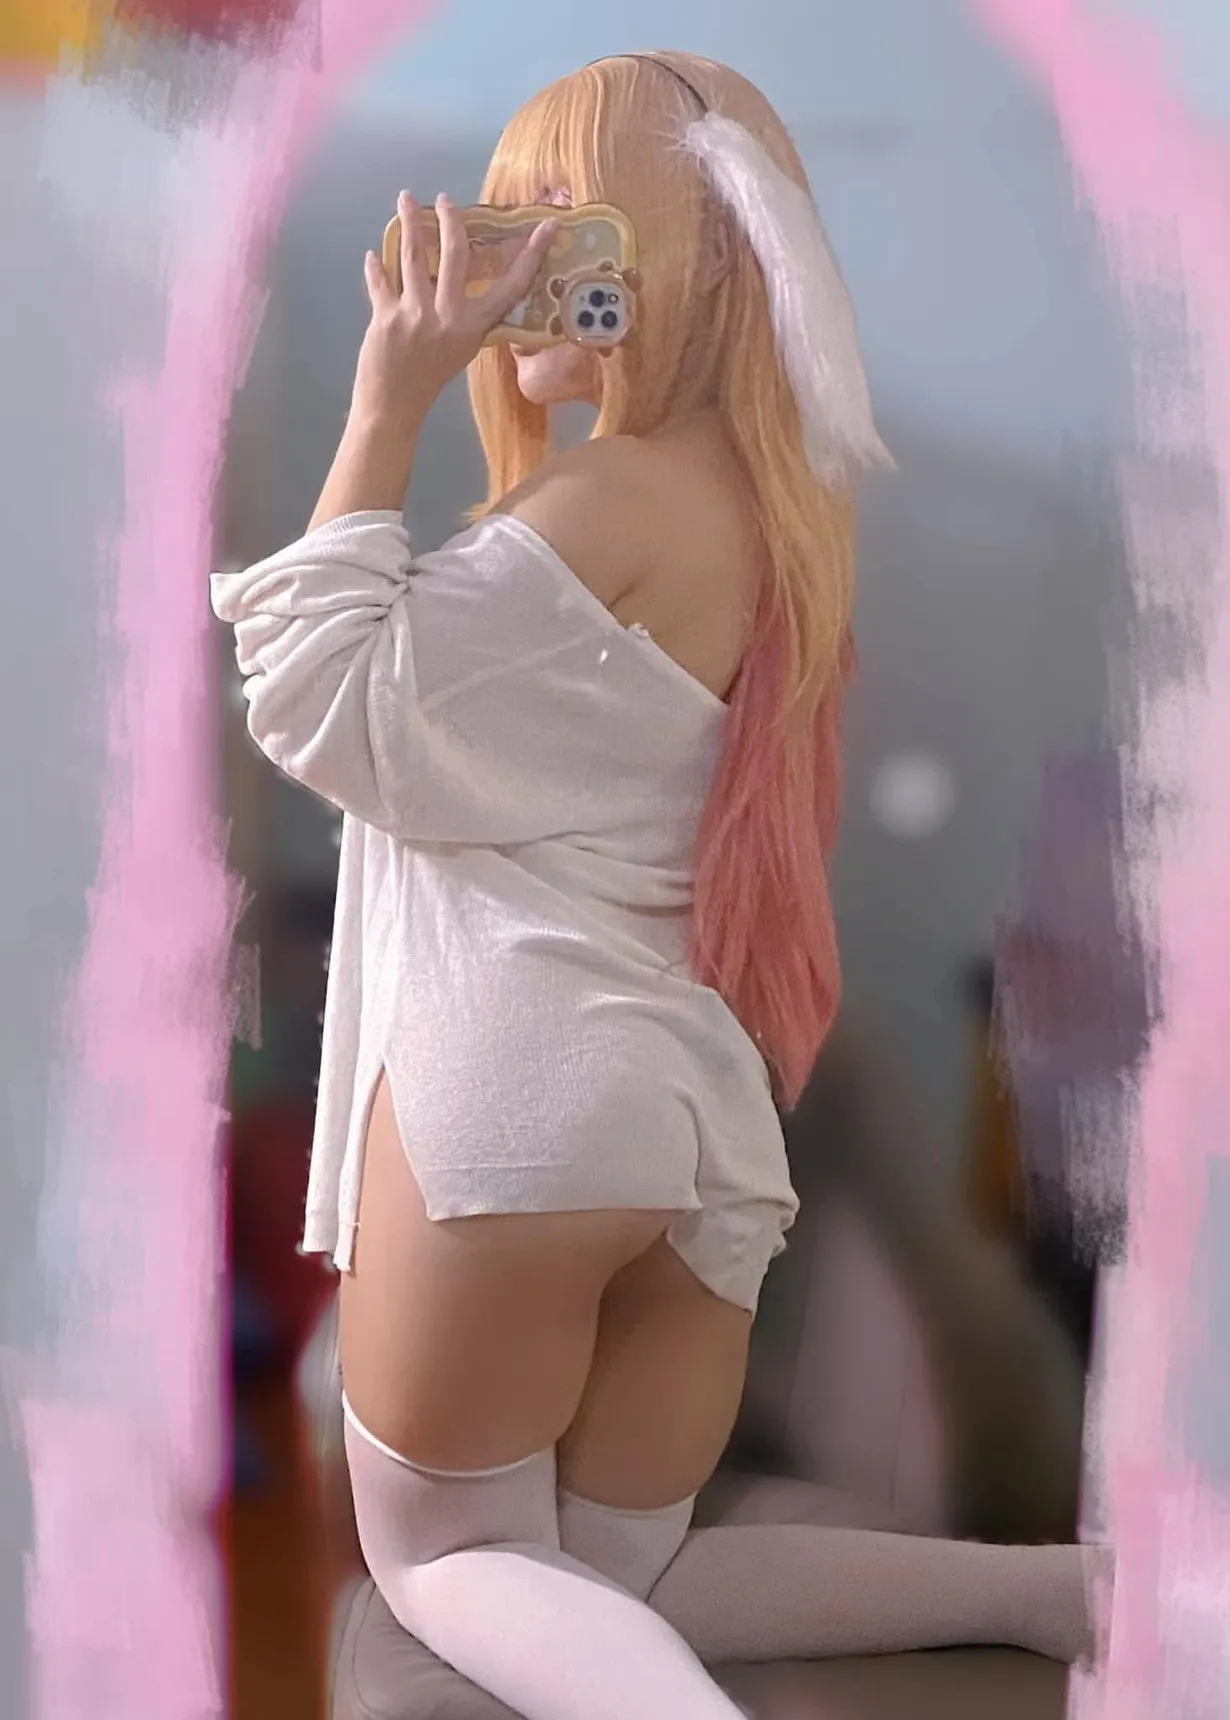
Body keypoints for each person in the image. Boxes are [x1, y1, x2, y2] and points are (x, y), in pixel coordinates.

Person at [214, 51, 1105, 1720]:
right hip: (685, 1118)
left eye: (551, 224)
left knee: (444, 1563)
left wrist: (389, 396)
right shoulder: (772, 520)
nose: (505, 264)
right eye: (504, 218)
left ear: (665, 253)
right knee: (624, 1574)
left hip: (512, 1110)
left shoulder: (607, 493)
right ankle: (1066, 1595)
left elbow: (319, 704)